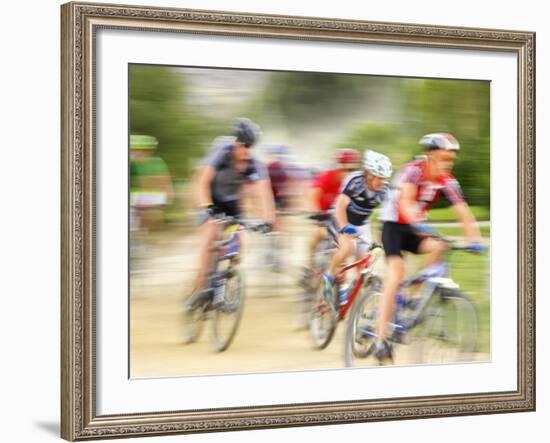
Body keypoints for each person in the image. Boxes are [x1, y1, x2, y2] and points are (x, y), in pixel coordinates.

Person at [374, 132, 485, 363]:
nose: (449, 164)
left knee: (439, 246)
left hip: (414, 227)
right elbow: (405, 201)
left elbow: (463, 211)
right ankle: (381, 339)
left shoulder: (448, 181)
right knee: (396, 274)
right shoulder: (413, 171)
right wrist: (417, 222)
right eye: (445, 159)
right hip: (394, 226)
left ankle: (414, 300)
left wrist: (475, 240)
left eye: (451, 160)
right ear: (431, 156)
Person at [188, 118, 275, 305]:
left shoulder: (253, 163)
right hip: (210, 199)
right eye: (243, 146)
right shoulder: (220, 152)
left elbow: (264, 192)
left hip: (231, 204)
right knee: (211, 234)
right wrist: (207, 207)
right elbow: (202, 182)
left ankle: (226, 280)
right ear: (235, 142)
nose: (246, 151)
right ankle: (201, 285)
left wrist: (268, 220)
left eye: (249, 147)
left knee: (239, 240)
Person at [322, 150, 392, 298]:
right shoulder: (355, 181)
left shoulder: (384, 189)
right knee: (348, 247)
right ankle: (328, 276)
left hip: (362, 224)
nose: (382, 182)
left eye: (384, 178)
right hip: (341, 218)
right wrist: (344, 228)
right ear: (368, 174)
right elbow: (340, 207)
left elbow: (389, 216)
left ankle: (352, 300)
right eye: (378, 177)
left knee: (363, 264)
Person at [307, 149, 362, 268]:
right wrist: (316, 212)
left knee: (346, 244)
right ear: (339, 167)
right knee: (317, 233)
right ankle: (309, 263)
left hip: (339, 217)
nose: (350, 173)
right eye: (347, 170)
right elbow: (313, 195)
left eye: (353, 170)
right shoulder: (327, 177)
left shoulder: (355, 183)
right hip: (323, 214)